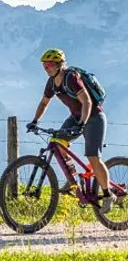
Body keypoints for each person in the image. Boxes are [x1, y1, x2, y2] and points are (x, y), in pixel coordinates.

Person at [27, 49, 112, 210]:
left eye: (49, 65)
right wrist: (34, 121)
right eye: (44, 65)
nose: (46, 68)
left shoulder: (71, 78)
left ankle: (108, 194)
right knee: (58, 144)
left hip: (94, 117)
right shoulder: (52, 82)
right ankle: (74, 180)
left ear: (59, 64)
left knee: (93, 157)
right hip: (75, 117)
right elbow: (44, 102)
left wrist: (82, 123)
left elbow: (87, 101)